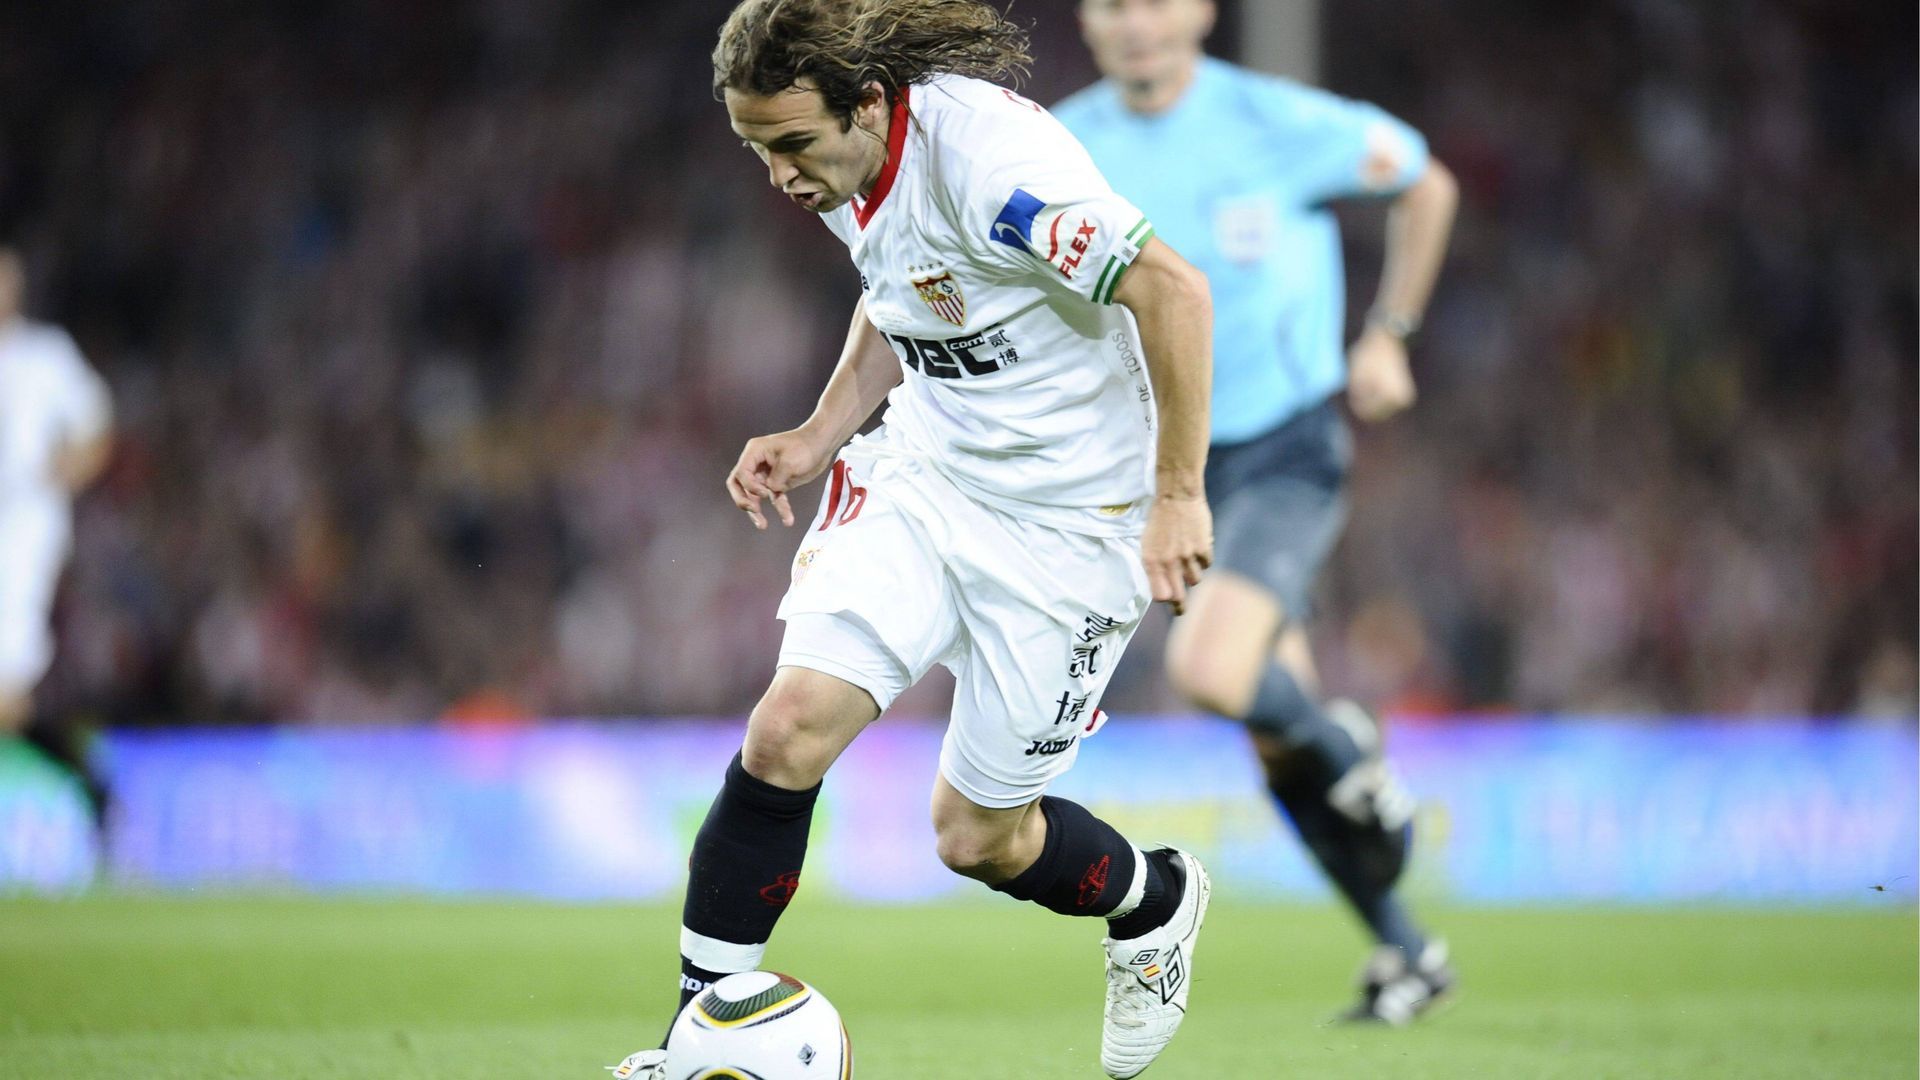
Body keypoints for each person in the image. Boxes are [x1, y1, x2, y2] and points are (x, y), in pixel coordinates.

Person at [609, 2, 1221, 1077]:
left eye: (794, 144)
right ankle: (690, 1041)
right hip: (928, 475)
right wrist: (818, 434)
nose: (781, 176)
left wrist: (1178, 494)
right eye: (758, 151)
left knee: (976, 839)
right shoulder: (845, 169)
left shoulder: (997, 173)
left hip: (1074, 522)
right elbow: (902, 291)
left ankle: (1156, 901)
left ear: (869, 105)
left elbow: (1174, 290)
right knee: (785, 731)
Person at [1054, 0, 1460, 1025]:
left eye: (1155, 0)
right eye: (1111, 3)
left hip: (1281, 449)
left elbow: (1426, 184)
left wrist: (1388, 333)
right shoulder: (1059, 146)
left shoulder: (1275, 119)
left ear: (1202, 9)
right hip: (1165, 467)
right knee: (1278, 738)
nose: (1135, 23)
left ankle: (1351, 753)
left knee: (1211, 672)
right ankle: (1409, 951)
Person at [0, 242, 113, 752]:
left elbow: (96, 426)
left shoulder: (45, 355)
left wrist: (72, 466)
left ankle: (22, 773)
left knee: (8, 674)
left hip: (20, 528)